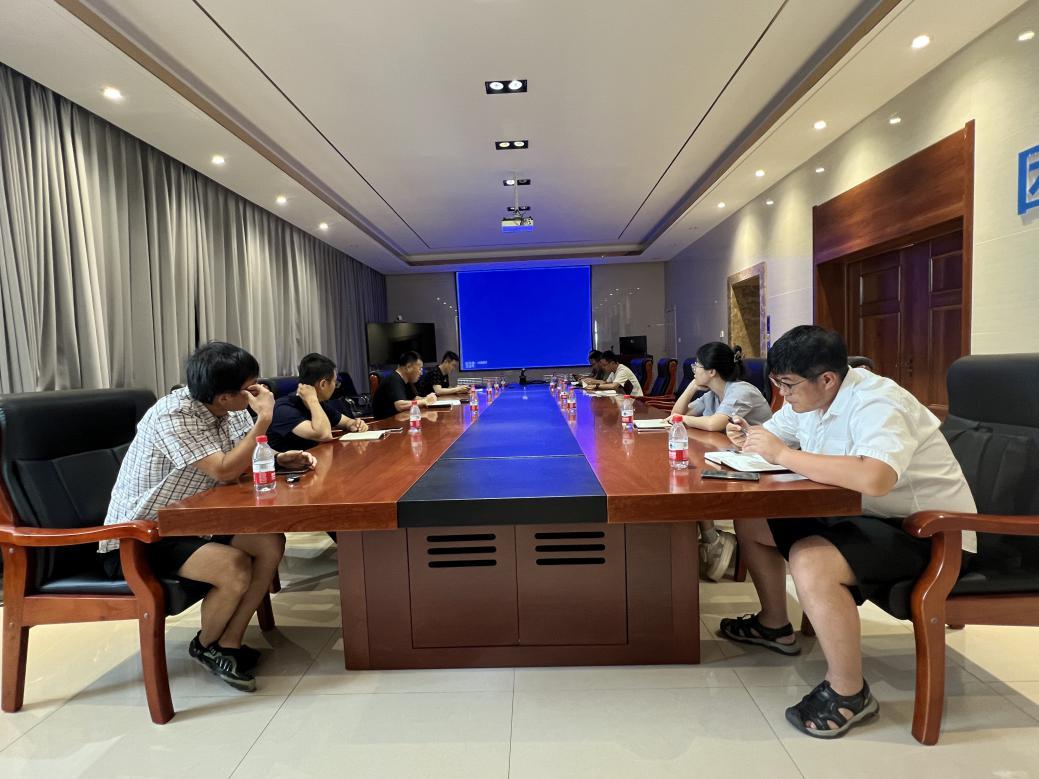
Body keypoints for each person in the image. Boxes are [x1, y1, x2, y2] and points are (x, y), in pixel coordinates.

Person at [718, 325, 976, 738]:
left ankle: (849, 692)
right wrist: (747, 437)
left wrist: (782, 454)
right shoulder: (810, 400)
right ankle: (774, 625)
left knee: (812, 558)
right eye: (777, 384)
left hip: (931, 533)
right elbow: (774, 436)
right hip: (863, 517)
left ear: (827, 379)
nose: (782, 394)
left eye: (788, 385)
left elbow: (874, 477)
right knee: (752, 517)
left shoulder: (878, 402)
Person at [100, 342, 317, 692]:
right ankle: (204, 644)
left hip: (195, 521)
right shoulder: (174, 416)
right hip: (144, 532)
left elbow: (242, 453)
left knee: (270, 543)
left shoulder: (231, 406)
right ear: (224, 397)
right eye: (250, 387)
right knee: (233, 565)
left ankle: (227, 643)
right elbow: (224, 469)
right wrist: (264, 418)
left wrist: (278, 459)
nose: (258, 391)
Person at [671, 342, 773, 581]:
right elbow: (677, 413)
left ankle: (713, 542)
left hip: (761, 464)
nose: (694, 369)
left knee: (690, 478)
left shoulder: (740, 391)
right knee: (688, 476)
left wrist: (680, 419)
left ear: (711, 371)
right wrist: (691, 387)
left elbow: (713, 423)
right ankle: (712, 540)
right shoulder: (712, 395)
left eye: (697, 366)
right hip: (732, 456)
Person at [267, 353, 368, 452]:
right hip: (289, 463)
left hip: (312, 458)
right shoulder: (284, 409)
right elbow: (324, 435)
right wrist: (312, 400)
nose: (335, 387)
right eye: (335, 383)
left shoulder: (318, 404)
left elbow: (346, 422)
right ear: (323, 384)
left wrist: (355, 424)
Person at [371, 351, 437, 420]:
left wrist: (427, 398)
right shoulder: (394, 379)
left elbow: (414, 399)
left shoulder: (407, 380)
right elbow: (400, 405)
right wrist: (424, 401)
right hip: (386, 423)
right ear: (408, 367)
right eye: (420, 369)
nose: (421, 373)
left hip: (400, 420)